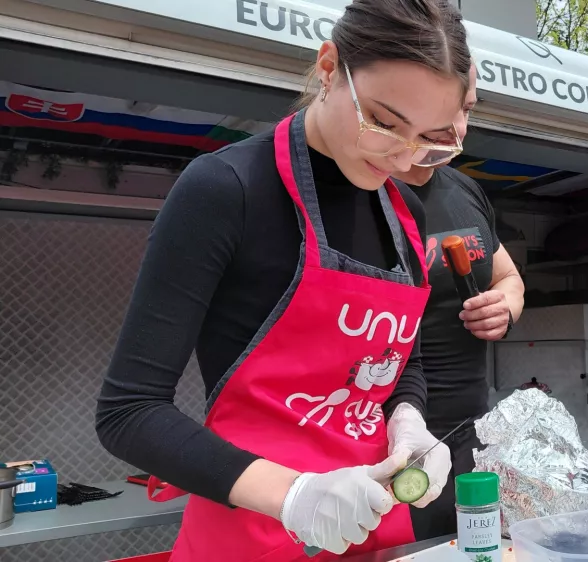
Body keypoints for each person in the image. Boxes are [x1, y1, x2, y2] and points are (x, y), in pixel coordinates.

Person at [95, 1, 472, 558]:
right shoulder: (226, 191)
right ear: (327, 68)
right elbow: (129, 412)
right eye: (384, 123)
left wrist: (408, 420)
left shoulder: (407, 215)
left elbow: (401, 360)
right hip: (249, 532)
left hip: (375, 531)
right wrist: (294, 495)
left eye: (432, 139)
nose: (402, 155)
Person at [392, 61, 525, 541]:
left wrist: (505, 305)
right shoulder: (368, 191)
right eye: (444, 110)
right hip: (387, 444)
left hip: (467, 436)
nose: (457, 128)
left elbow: (510, 276)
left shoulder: (465, 190)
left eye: (466, 109)